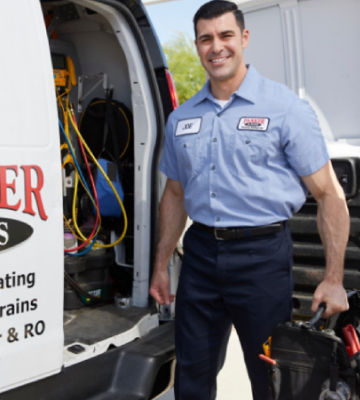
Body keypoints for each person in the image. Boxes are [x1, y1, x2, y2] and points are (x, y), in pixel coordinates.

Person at [150, 1, 350, 399]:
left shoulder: (285, 109)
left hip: (261, 258)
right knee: (191, 376)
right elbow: (174, 194)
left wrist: (333, 279)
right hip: (201, 257)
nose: (216, 47)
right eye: (206, 39)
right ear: (197, 46)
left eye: (225, 35)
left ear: (243, 38)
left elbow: (330, 195)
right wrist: (160, 266)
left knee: (271, 378)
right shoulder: (182, 118)